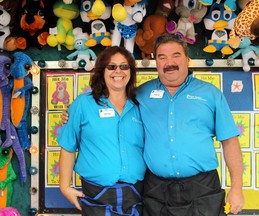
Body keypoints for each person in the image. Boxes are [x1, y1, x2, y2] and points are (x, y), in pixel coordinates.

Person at [62, 34, 245, 215]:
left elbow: (230, 142)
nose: (169, 62)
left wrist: (237, 188)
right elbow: (107, 107)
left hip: (202, 188)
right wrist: (71, 115)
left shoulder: (210, 94)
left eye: (176, 55)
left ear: (187, 59)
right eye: (162, 57)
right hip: (157, 191)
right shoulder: (141, 94)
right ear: (155, 61)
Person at [57, 46, 146, 216]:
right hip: (95, 195)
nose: (118, 71)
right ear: (102, 71)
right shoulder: (83, 104)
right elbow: (68, 146)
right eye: (111, 66)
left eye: (124, 66)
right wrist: (64, 187)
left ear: (131, 71)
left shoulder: (141, 105)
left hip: (135, 195)